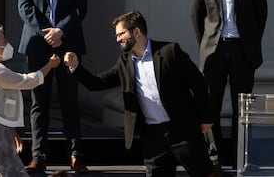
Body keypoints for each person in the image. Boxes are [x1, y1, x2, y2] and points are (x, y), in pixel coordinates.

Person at [64, 11, 215, 177]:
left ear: (136, 31)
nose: (117, 39)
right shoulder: (124, 62)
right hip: (153, 135)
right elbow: (96, 83)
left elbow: (198, 83)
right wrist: (75, 67)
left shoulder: (169, 52)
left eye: (121, 34)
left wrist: (205, 117)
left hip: (183, 130)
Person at [190, 0, 267, 166]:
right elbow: (196, 18)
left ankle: (239, 154)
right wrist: (207, 46)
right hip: (216, 50)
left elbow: (260, 14)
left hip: (242, 50)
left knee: (241, 105)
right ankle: (215, 156)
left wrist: (250, 43)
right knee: (210, 105)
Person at [17, 0, 88, 173]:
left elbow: (80, 8)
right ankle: (38, 155)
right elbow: (25, 7)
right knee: (39, 103)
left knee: (70, 101)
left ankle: (76, 154)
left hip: (68, 44)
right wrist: (48, 32)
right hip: (38, 46)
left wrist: (61, 31)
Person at [0, 26, 60, 177]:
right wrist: (50, 65)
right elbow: (29, 81)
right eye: (4, 41)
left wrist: (11, 131)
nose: (8, 45)